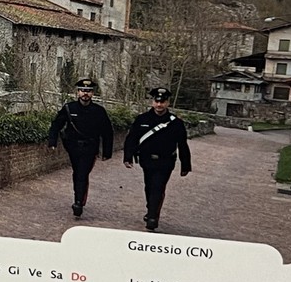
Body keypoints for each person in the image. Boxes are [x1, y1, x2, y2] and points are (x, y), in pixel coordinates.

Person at [123, 87, 192, 231]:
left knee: (158, 187)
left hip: (166, 161)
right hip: (147, 160)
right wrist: (127, 157)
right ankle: (151, 209)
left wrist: (185, 165)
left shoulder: (175, 123)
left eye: (163, 102)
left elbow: (182, 144)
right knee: (149, 186)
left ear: (167, 103)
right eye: (157, 101)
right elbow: (132, 138)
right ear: (152, 102)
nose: (159, 104)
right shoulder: (142, 119)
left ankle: (153, 217)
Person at [48, 77, 114, 219]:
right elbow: (56, 125)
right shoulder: (69, 108)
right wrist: (52, 141)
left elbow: (107, 132)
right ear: (78, 92)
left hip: (90, 148)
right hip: (72, 147)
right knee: (77, 172)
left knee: (82, 173)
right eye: (83, 90)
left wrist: (107, 152)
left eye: (88, 91)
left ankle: (78, 202)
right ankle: (78, 197)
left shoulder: (99, 111)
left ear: (92, 93)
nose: (85, 93)